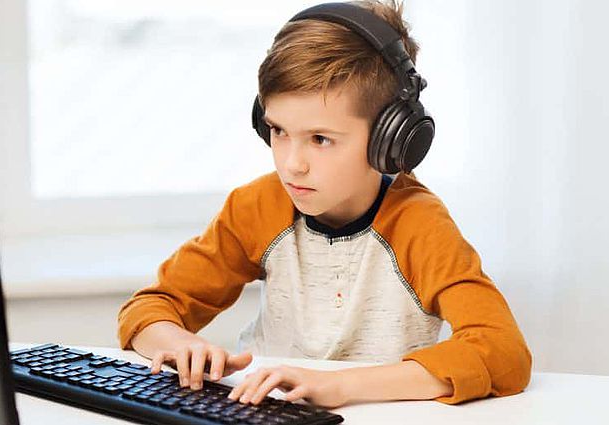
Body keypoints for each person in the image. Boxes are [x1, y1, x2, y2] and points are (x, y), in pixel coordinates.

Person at [117, 0, 531, 408]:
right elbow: (149, 309)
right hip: (259, 412)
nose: (291, 164)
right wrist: (177, 343)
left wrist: (340, 387)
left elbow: (503, 352)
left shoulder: (418, 224)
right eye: (278, 131)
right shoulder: (257, 206)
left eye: (320, 139)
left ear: (391, 140)